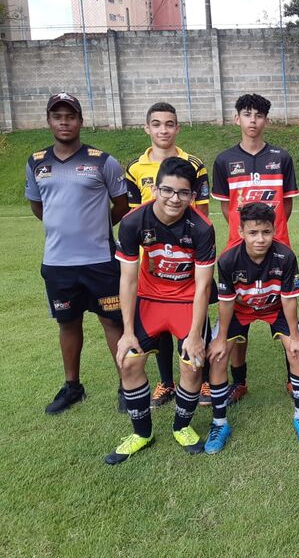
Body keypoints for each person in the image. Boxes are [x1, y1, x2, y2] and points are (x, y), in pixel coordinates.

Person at [105, 157, 216, 464]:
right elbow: (128, 278)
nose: (174, 199)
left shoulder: (203, 228)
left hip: (186, 300)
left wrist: (195, 335)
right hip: (150, 300)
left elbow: (203, 286)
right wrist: (127, 333)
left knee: (193, 363)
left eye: (183, 193)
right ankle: (142, 433)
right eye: (167, 190)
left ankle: (183, 426)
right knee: (128, 361)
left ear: (192, 195)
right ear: (155, 188)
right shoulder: (132, 222)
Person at [25, 92, 129, 415]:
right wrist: (64, 228)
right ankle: (73, 387)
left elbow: (122, 205)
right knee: (67, 324)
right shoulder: (36, 162)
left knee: (112, 323)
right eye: (58, 116)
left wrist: (94, 227)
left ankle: (128, 387)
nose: (64, 122)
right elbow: (38, 207)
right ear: (50, 122)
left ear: (80, 121)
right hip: (58, 263)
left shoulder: (103, 161)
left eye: (70, 116)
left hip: (100, 260)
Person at [212, 94, 299, 405]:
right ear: (237, 119)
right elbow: (226, 207)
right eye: (247, 114)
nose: (252, 120)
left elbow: (286, 205)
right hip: (239, 248)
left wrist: (270, 235)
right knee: (238, 314)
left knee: (285, 311)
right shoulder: (224, 160)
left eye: (259, 115)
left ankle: (294, 379)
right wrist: (244, 236)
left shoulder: (281, 157)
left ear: (266, 120)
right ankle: (240, 382)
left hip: (277, 245)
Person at [208, 202, 299, 450]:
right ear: (241, 231)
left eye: (266, 232)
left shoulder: (285, 256)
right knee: (218, 356)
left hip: (275, 308)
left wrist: (295, 335)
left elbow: (288, 299)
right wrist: (221, 338)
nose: (260, 239)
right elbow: (225, 302)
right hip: (240, 310)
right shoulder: (227, 260)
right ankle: (219, 423)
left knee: (297, 352)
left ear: (274, 230)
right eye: (253, 233)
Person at [126, 102, 210, 410]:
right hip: (151, 258)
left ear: (178, 128)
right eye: (157, 124)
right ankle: (165, 382)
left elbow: (201, 213)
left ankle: (199, 379)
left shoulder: (194, 164)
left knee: (190, 321)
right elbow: (134, 218)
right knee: (155, 325)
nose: (164, 129)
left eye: (170, 124)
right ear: (147, 128)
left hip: (187, 258)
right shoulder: (135, 168)